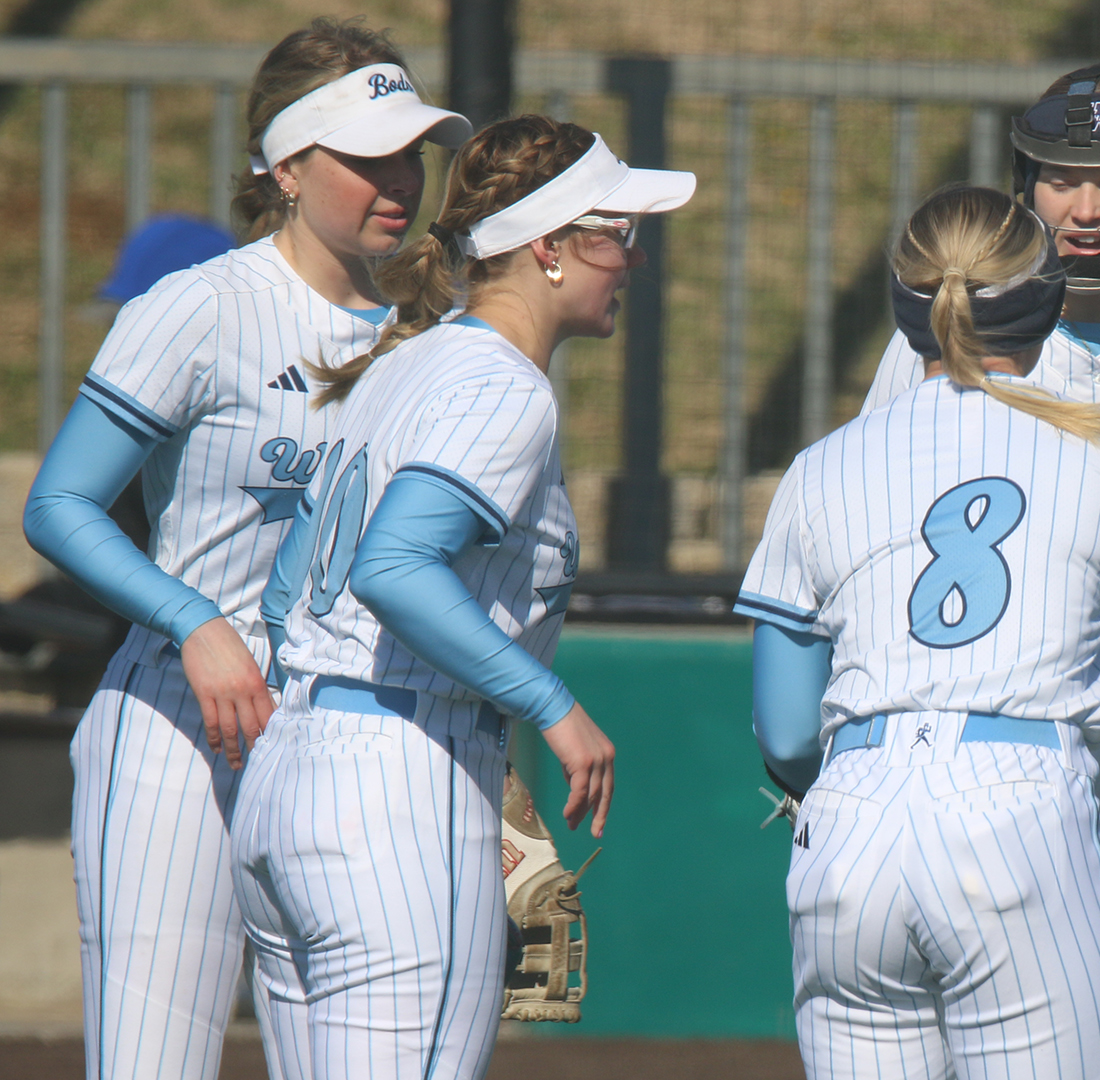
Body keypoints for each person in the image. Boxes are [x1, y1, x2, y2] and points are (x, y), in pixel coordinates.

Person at [742, 184, 1100, 1080]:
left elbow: (786, 732)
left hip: (848, 823)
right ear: (1042, 303)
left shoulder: (820, 467)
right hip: (1017, 806)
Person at [21, 20, 470, 1080]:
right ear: (286, 165)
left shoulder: (438, 331)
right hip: (181, 728)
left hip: (349, 745)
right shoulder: (203, 306)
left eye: (408, 151)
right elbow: (60, 504)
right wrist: (192, 619)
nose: (398, 179)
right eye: (366, 158)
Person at [234, 114, 671, 1079]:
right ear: (549, 249)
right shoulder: (500, 384)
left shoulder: (406, 360)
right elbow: (393, 568)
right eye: (616, 235)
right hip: (392, 792)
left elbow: (288, 589)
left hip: (294, 776)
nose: (630, 262)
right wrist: (552, 708)